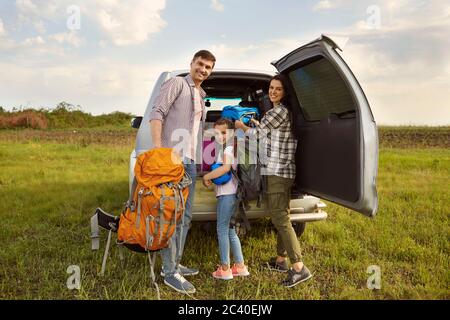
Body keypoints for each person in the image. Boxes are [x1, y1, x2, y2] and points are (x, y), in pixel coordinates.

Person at [234, 74, 313, 288]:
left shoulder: (278, 111)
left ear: (285, 93)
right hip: (280, 170)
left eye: (278, 89)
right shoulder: (279, 113)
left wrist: (240, 126)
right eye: (271, 88)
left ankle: (299, 267)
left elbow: (257, 135)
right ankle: (280, 260)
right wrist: (258, 125)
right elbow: (268, 133)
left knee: (280, 219)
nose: (273, 91)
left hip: (278, 172)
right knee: (281, 215)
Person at [149, 50, 216, 294]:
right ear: (192, 63)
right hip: (172, 160)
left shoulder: (200, 93)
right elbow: (157, 113)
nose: (203, 69)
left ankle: (175, 263)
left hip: (189, 162)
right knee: (171, 216)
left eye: (208, 67)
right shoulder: (177, 83)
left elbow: (196, 132)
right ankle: (169, 273)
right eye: (200, 64)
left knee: (185, 217)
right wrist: (159, 151)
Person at [202, 118, 250, 280]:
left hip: (227, 195)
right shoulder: (232, 147)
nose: (220, 136)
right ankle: (240, 266)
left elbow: (225, 168)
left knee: (222, 229)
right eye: (217, 133)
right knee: (230, 231)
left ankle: (224, 269)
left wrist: (207, 176)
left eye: (224, 132)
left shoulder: (228, 149)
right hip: (233, 195)